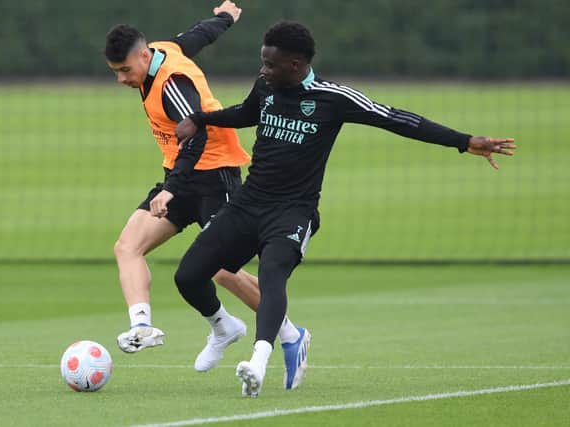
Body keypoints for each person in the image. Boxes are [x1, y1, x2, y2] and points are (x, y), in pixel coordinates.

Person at [168, 21, 517, 397]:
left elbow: (397, 119)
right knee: (188, 276)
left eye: (271, 64)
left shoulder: (334, 98)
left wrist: (464, 142)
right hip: (248, 203)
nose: (263, 71)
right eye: (263, 62)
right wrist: (201, 118)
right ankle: (224, 328)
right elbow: (246, 113)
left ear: (297, 65)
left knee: (272, 273)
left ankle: (260, 359)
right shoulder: (266, 87)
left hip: (292, 211)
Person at [102, 2, 310, 385]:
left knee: (221, 270)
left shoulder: (173, 86)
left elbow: (194, 136)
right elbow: (198, 36)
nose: (121, 80)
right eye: (115, 73)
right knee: (127, 246)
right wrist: (225, 17)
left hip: (216, 176)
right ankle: (145, 327)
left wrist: (170, 190)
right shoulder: (166, 51)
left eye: (125, 71)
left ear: (143, 56)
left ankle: (292, 336)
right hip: (179, 178)